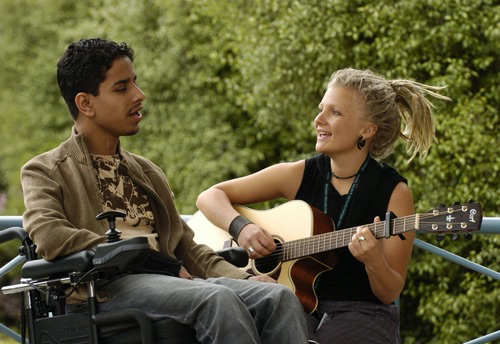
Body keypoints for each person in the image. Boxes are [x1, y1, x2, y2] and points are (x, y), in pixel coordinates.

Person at [20, 38, 309, 344]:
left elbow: (187, 248)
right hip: (104, 290)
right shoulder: (45, 170)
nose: (139, 95)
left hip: (169, 281)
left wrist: (246, 278)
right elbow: (50, 235)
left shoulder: (147, 171)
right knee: (215, 299)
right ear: (85, 103)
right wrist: (149, 260)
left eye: (136, 83)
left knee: (277, 297)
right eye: (122, 88)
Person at [196, 68, 450, 343]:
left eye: (334, 113)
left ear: (366, 130)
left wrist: (374, 260)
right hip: (292, 306)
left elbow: (388, 293)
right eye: (321, 109)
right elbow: (209, 196)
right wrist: (242, 228)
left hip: (362, 315)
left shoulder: (394, 191)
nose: (318, 120)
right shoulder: (299, 174)